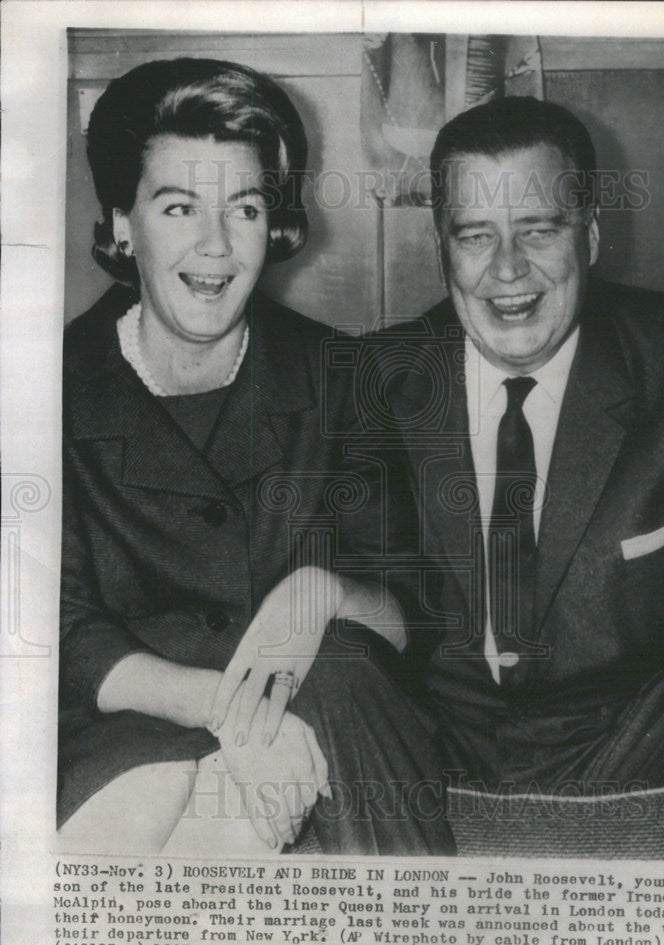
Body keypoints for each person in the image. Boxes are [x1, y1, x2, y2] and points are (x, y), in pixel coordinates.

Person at [288, 96, 664, 858]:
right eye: (475, 235)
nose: (508, 270)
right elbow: (359, 577)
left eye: (539, 229)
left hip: (633, 729)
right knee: (328, 656)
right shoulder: (375, 378)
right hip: (429, 737)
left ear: (592, 234)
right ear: (442, 250)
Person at [57, 57, 411, 854]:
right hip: (122, 727)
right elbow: (53, 629)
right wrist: (233, 715)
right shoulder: (43, 388)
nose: (215, 246)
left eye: (243, 208)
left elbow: (410, 610)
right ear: (121, 223)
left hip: (333, 715)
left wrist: (319, 592)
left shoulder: (342, 377)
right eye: (179, 206)